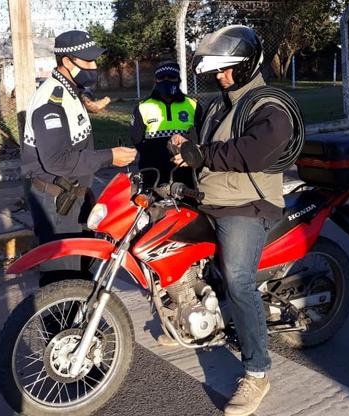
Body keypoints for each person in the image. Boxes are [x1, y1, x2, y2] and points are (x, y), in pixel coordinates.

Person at [171, 25, 294, 416]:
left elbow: (251, 152)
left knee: (239, 279)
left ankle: (257, 372)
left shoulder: (269, 106)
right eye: (217, 71)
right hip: (211, 198)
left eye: (227, 70)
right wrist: (181, 145)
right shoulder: (216, 104)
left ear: (246, 66)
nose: (221, 76)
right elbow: (198, 141)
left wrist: (202, 155)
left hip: (247, 205)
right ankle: (190, 314)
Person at [21, 30, 137, 281]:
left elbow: (80, 95)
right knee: (62, 278)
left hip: (74, 194)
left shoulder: (71, 90)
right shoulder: (50, 103)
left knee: (82, 272)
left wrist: (85, 189)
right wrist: (110, 157)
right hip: (57, 204)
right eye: (88, 61)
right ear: (67, 61)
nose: (94, 67)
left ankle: (78, 308)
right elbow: (58, 161)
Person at [129, 61, 202, 186]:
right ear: (156, 80)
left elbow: (200, 134)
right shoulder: (143, 107)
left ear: (178, 79)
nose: (166, 81)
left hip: (185, 169)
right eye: (161, 78)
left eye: (171, 77)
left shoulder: (193, 105)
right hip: (153, 171)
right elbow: (137, 139)